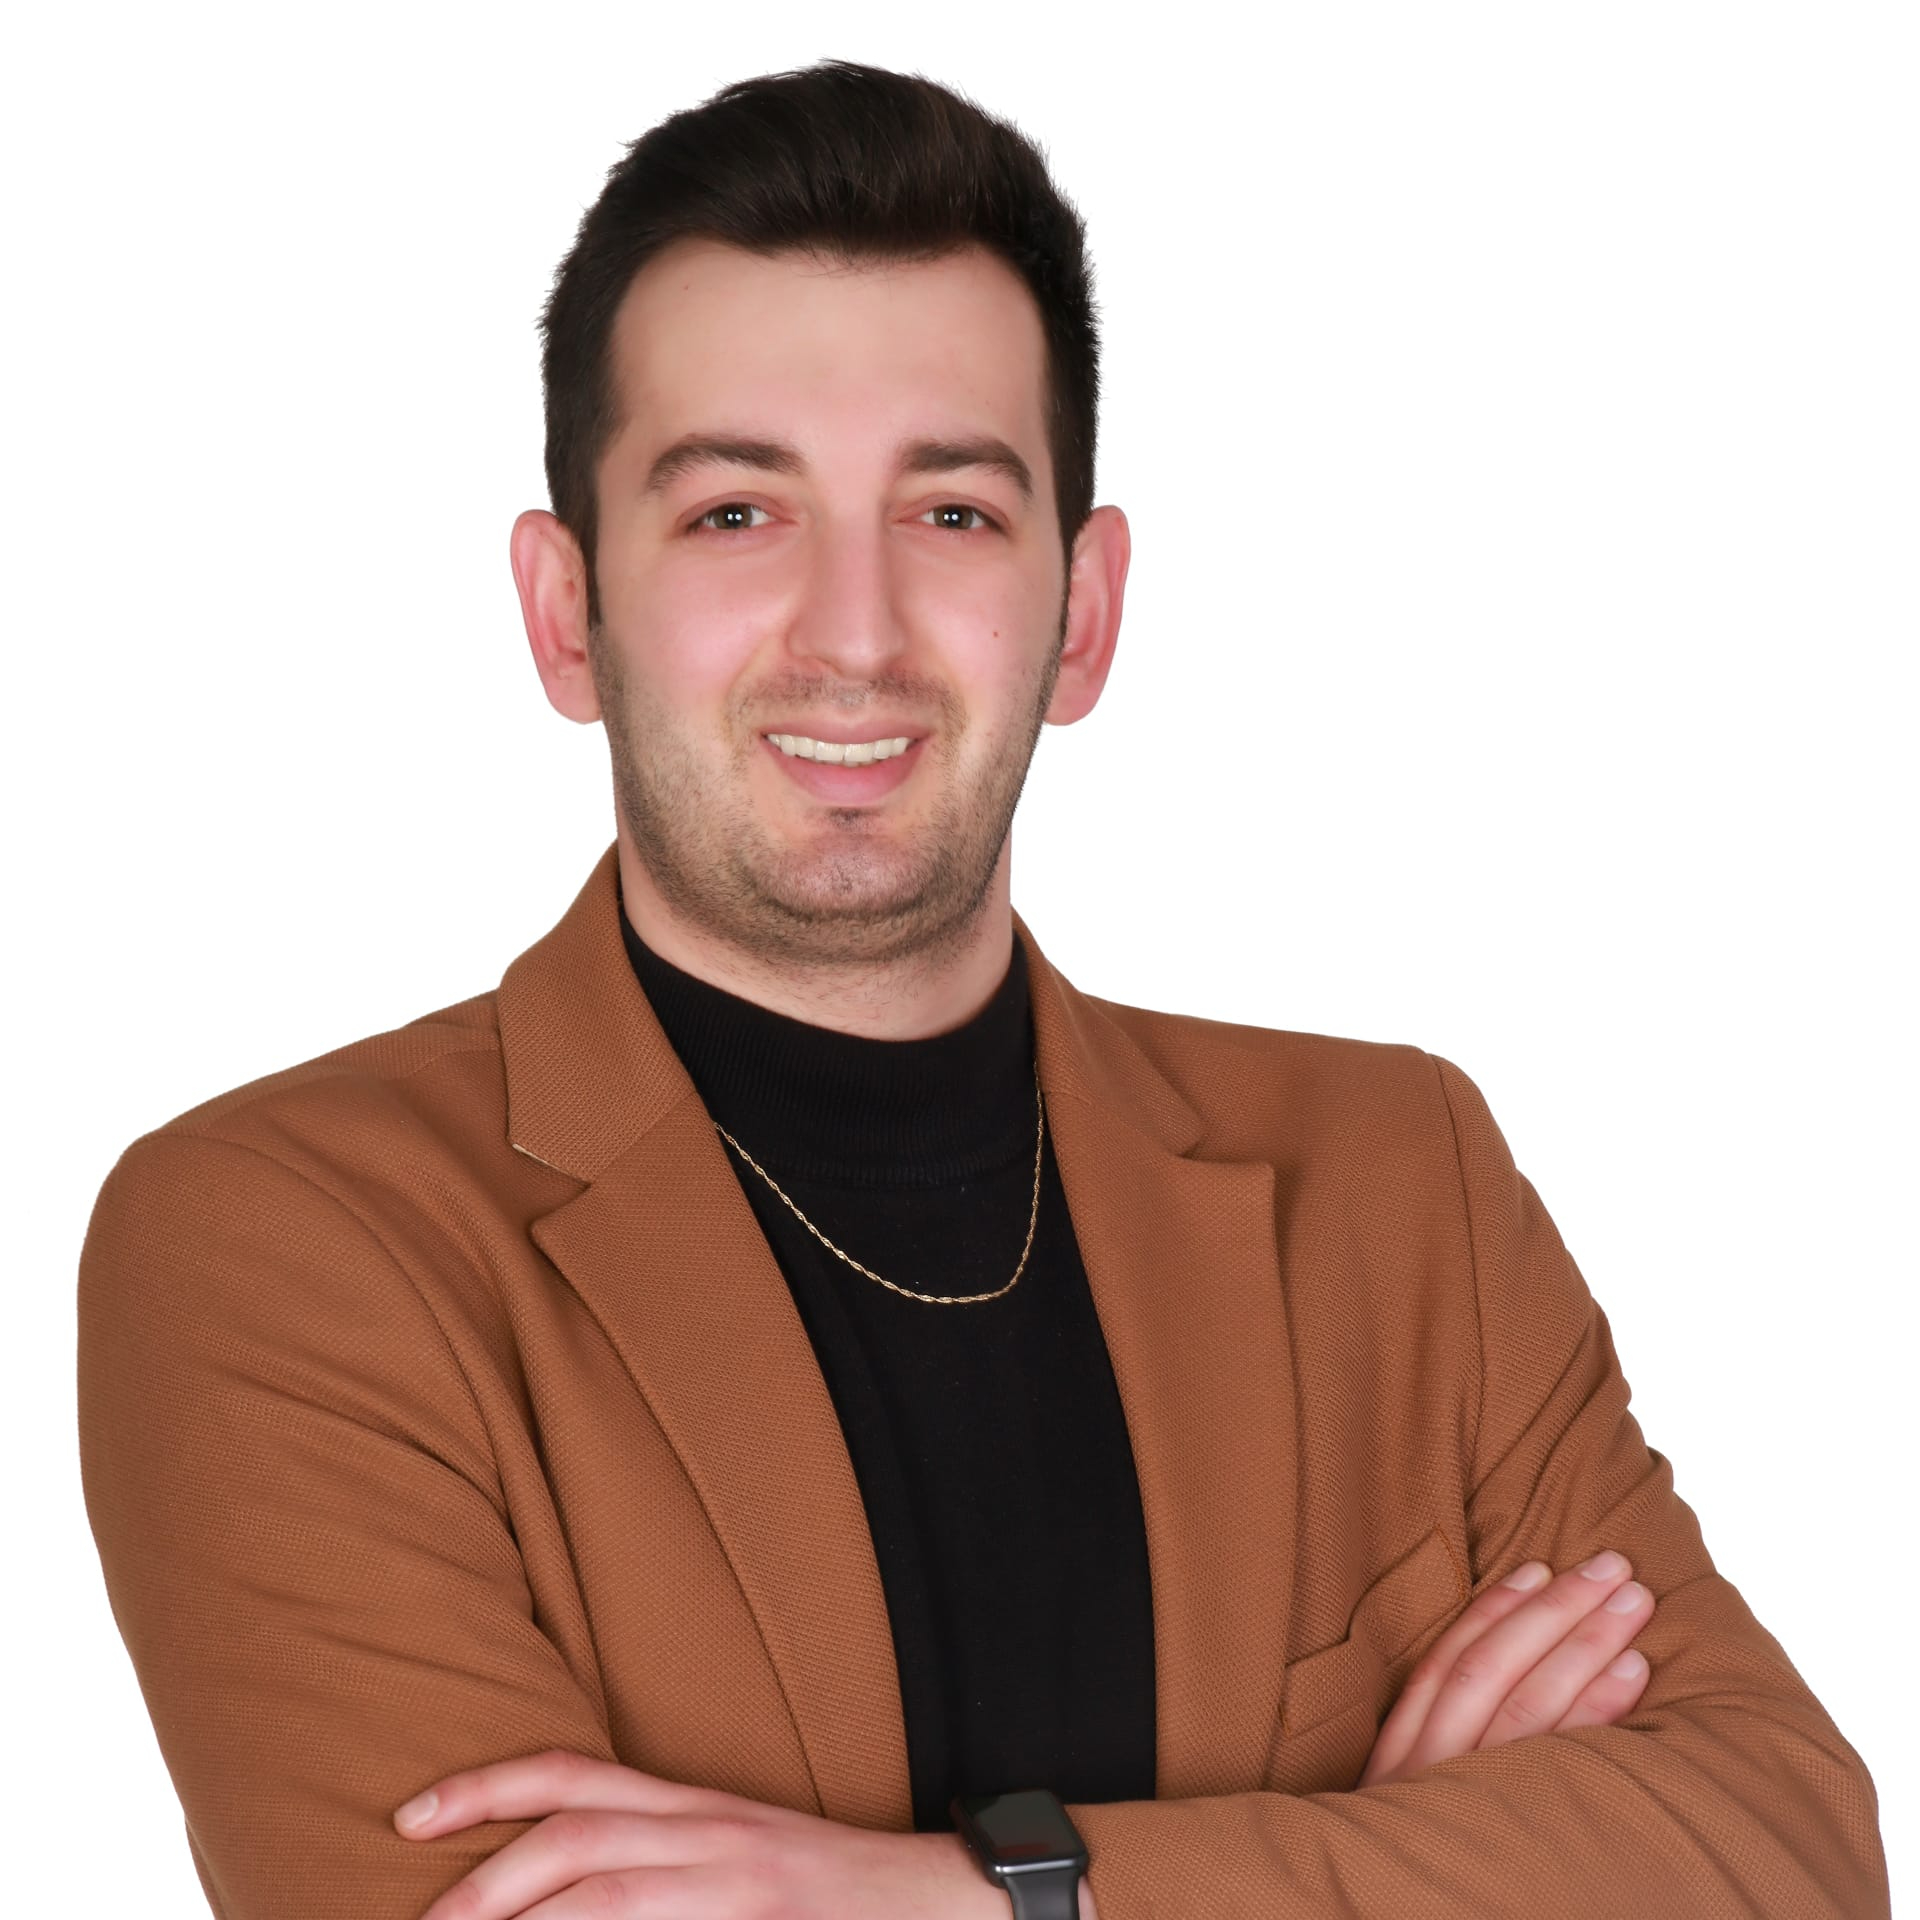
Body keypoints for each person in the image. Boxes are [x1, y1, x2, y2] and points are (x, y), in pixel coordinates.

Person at [76, 58, 1887, 1920]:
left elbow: (1794, 1853)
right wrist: (1409, 1850)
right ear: (566, 615)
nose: (853, 633)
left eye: (950, 514)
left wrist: (974, 1896)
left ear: (1083, 613)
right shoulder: (285, 1242)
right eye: (734, 514)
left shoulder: (1398, 1180)